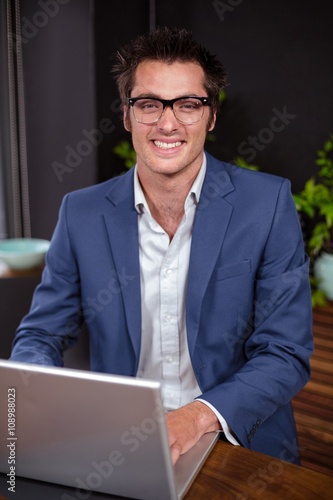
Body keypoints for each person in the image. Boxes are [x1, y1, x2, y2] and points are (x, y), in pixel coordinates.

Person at [10, 26, 313, 465]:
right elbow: (41, 333)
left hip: (234, 435)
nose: (167, 122)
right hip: (116, 444)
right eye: (150, 104)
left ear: (211, 116)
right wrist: (30, 403)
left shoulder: (267, 204)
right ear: (128, 115)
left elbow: (285, 353)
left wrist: (195, 417)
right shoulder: (81, 213)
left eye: (189, 104)